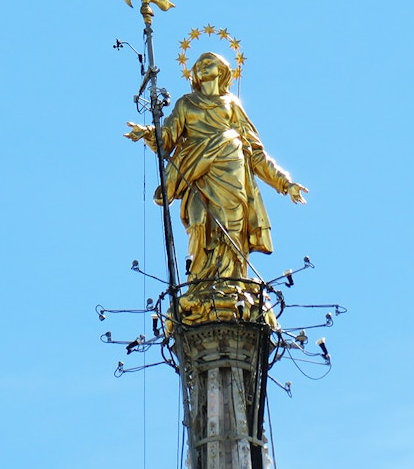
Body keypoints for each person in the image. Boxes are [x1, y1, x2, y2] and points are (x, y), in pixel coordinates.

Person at [126, 52, 307, 323]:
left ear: (223, 70)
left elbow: (256, 153)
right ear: (194, 74)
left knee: (232, 230)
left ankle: (232, 281)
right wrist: (149, 132)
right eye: (199, 64)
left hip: (232, 175)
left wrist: (285, 182)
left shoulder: (232, 105)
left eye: (210, 62)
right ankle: (200, 281)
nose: (204, 65)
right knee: (198, 223)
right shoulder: (186, 104)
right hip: (197, 172)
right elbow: (168, 139)